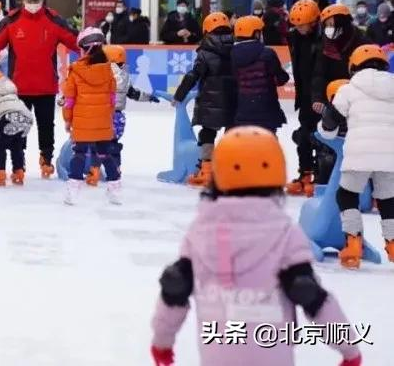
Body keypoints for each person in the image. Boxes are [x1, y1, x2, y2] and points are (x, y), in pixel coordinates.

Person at [149, 127, 361, 366]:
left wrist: (161, 343)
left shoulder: (200, 233)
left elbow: (174, 289)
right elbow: (312, 296)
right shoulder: (285, 234)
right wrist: (349, 350)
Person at [0, 0, 78, 178]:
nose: (33, 5)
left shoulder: (53, 20)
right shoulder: (12, 21)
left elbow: (76, 41)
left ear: (42, 1)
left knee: (46, 125)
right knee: (16, 127)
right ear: (23, 0)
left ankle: (46, 159)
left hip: (46, 86)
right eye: (29, 1)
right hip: (18, 88)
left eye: (37, 1)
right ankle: (18, 164)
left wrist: (98, 55)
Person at [322, 44, 394, 268]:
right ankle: (392, 244)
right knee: (388, 200)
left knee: (347, 195)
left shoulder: (348, 89)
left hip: (358, 153)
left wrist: (327, 132)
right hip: (390, 154)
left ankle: (353, 243)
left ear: (354, 65)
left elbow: (330, 123)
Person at [172, 12, 236, 187]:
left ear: (207, 30)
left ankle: (206, 169)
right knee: (231, 135)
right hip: (234, 99)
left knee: (207, 133)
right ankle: (231, 168)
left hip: (210, 101)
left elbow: (194, 75)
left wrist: (179, 95)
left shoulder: (205, 52)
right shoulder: (237, 48)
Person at [85, 44, 160, 186]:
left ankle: (94, 170)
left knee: (97, 144)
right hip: (118, 118)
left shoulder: (102, 73)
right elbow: (134, 93)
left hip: (103, 115)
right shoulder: (125, 76)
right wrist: (149, 97)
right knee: (113, 145)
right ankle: (116, 171)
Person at [61, 28, 119, 204]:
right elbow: (112, 99)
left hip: (82, 122)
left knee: (79, 155)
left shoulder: (75, 71)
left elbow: (69, 100)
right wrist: (106, 118)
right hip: (102, 122)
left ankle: (73, 191)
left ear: (84, 49)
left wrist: (67, 120)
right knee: (105, 155)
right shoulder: (108, 71)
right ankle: (115, 190)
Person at [285, 0, 324, 196]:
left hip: (322, 97)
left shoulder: (324, 38)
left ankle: (321, 176)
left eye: (303, 25)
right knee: (304, 136)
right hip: (304, 95)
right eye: (296, 25)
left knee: (323, 137)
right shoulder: (293, 37)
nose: (299, 29)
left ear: (315, 21)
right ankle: (305, 174)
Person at [231, 15, 289, 133]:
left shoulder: (230, 54)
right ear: (256, 34)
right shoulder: (267, 53)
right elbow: (282, 78)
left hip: (241, 110)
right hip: (267, 111)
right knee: (268, 147)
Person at [312, 4, 369, 120]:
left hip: (358, 100)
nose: (329, 29)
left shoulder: (362, 42)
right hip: (332, 98)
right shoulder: (325, 44)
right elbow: (319, 74)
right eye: (327, 25)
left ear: (343, 24)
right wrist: (318, 98)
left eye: (332, 25)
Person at [0, 70, 33, 187]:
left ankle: (0, 172)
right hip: (26, 119)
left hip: (8, 118)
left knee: (0, 146)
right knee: (16, 146)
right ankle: (18, 171)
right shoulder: (12, 94)